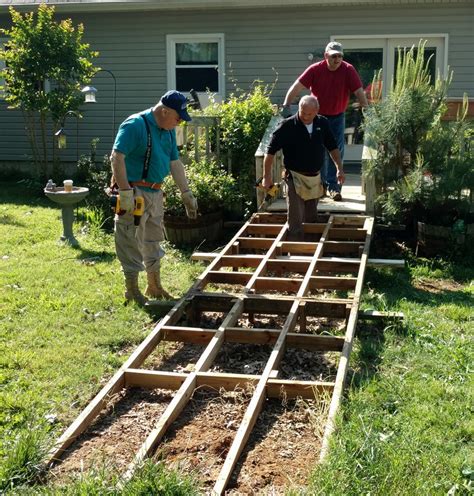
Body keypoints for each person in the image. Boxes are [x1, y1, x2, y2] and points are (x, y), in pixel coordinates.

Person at [110, 90, 198, 305]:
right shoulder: (134, 125)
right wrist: (124, 192)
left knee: (153, 239)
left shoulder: (167, 131)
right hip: (133, 192)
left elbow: (175, 164)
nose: (179, 123)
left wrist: (186, 194)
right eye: (178, 118)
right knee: (129, 239)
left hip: (156, 193)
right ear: (164, 111)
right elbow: (116, 157)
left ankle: (154, 286)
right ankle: (132, 290)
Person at [282, 41, 368, 201]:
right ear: (326, 56)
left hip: (337, 117)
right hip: (317, 117)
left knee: (336, 151)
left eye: (340, 56)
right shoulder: (315, 70)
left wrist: (366, 108)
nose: (337, 59)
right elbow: (296, 87)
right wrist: (286, 105)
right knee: (317, 150)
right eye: (334, 56)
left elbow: (358, 91)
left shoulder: (348, 70)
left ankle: (334, 188)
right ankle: (319, 187)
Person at [262, 95, 343, 240]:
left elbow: (333, 147)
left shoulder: (322, 123)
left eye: (309, 114)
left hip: (315, 177)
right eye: (302, 112)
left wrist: (339, 169)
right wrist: (266, 177)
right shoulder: (286, 126)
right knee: (295, 216)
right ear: (298, 109)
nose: (305, 116)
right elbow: (270, 152)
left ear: (316, 111)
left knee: (311, 216)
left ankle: (311, 246)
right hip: (294, 176)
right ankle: (293, 251)